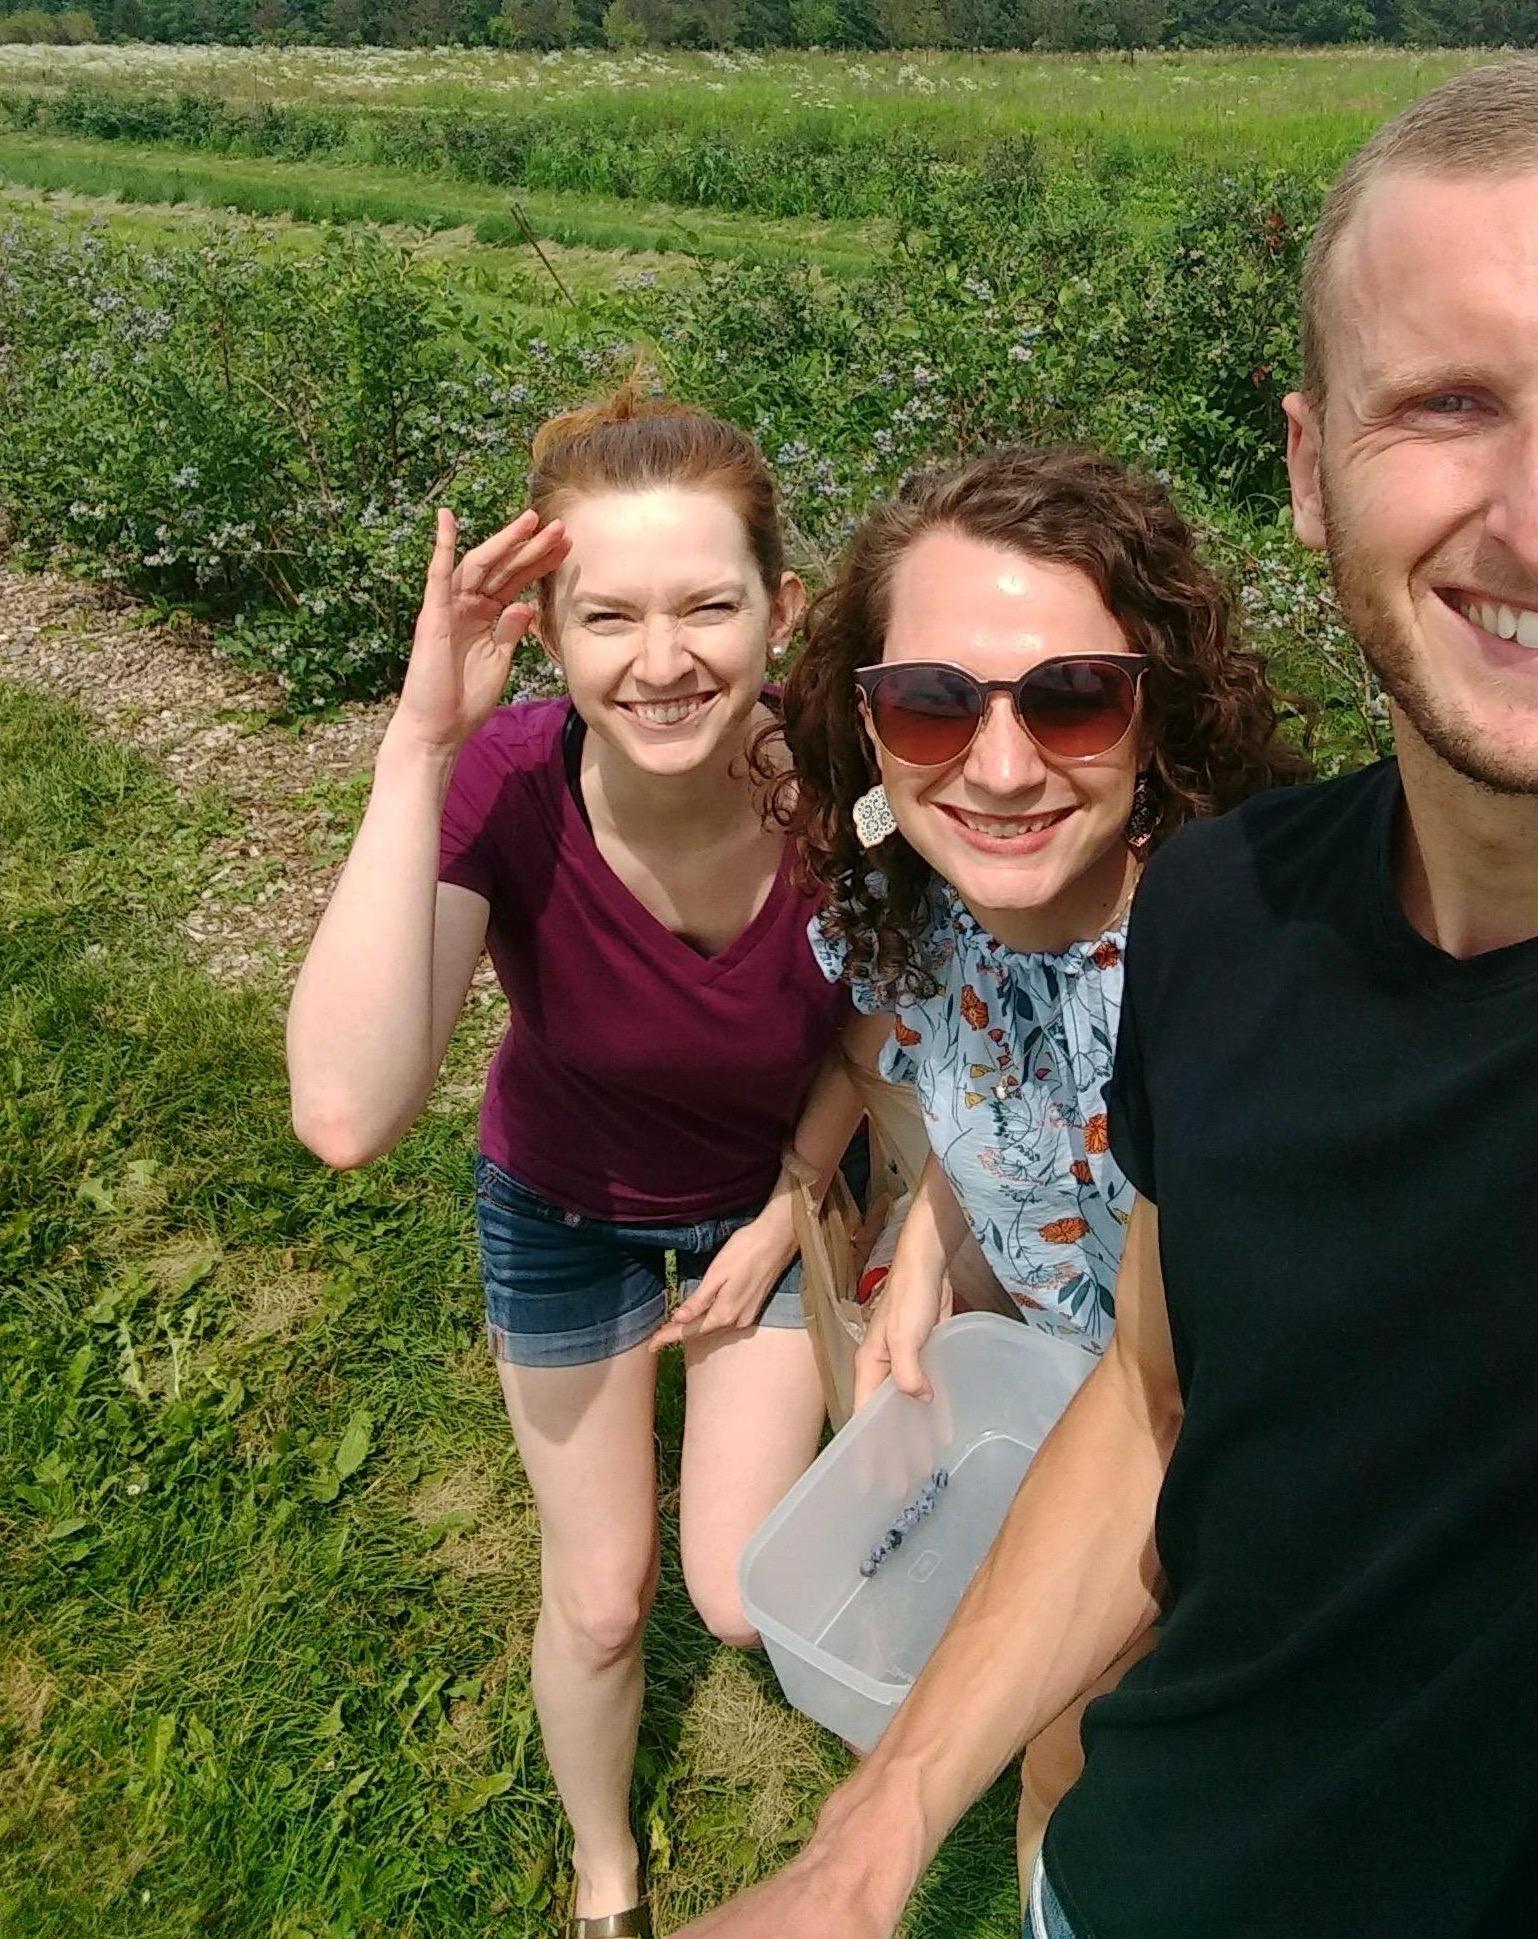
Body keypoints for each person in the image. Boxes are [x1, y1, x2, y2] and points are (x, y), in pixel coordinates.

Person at [671, 55, 1538, 1939]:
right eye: (1443, 403)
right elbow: (1158, 1403)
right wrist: (866, 1849)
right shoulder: (1232, 915)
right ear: (1307, 465)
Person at [286, 388, 868, 1939]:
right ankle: (608, 1883)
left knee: (742, 1606)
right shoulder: (511, 784)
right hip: (567, 1210)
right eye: (605, 615)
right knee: (604, 1606)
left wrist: (795, 1202)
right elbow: (346, 1113)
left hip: (769, 1207)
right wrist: (421, 741)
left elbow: (900, 1030)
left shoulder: (853, 793)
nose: (660, 660)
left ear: (783, 609)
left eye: (708, 606)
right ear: (542, 628)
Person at [781, 444, 1302, 1889]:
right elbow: (993, 1110)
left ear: (1156, 717)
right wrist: (928, 1264)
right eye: (932, 704)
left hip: (1219, 1472)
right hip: (1052, 1399)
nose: (1000, 767)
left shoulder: (1243, 977)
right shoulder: (928, 922)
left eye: (1071, 695)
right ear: (867, 724)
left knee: (1094, 1758)